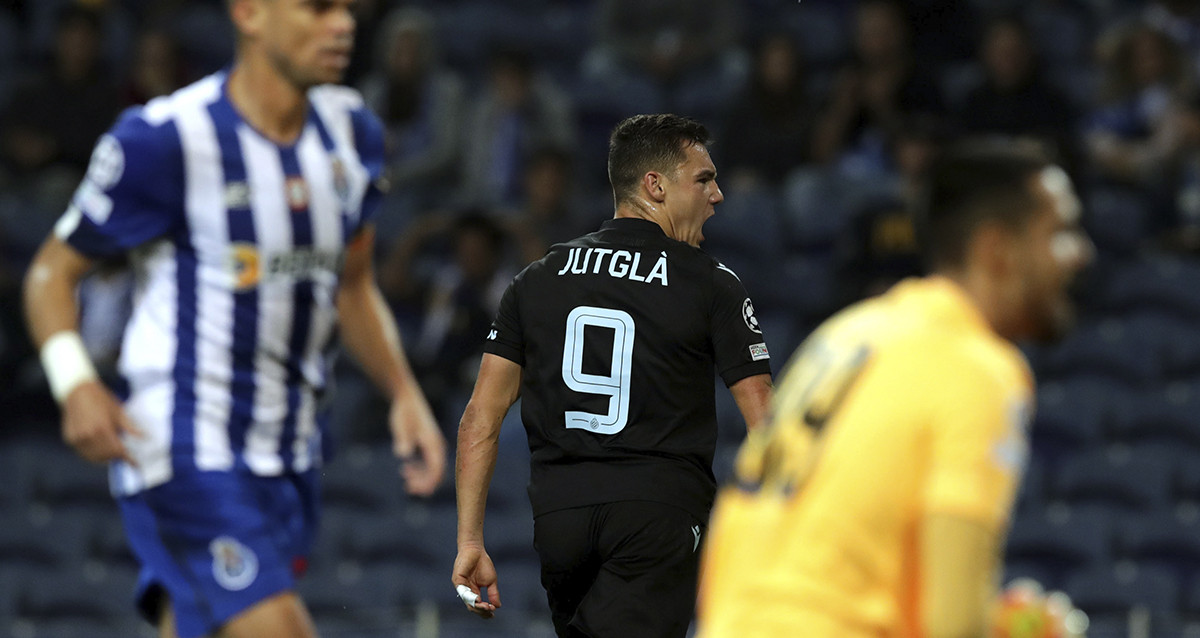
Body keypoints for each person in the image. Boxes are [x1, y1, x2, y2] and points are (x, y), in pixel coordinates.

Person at [21, 1, 446, 637]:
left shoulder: (353, 132)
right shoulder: (166, 137)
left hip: (288, 451)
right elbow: (51, 273)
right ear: (249, 12)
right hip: (182, 440)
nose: (343, 24)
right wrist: (75, 381)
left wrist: (403, 390)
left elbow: (352, 285)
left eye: (347, 8)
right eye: (317, 7)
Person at [696, 142, 1093, 638]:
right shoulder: (976, 366)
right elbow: (952, 627)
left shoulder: (850, 333)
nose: (1082, 253)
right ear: (997, 250)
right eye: (1060, 233)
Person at [452, 114, 774, 638]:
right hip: (658, 515)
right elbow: (767, 423)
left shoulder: (535, 280)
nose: (717, 195)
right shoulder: (711, 283)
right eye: (703, 179)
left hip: (560, 522)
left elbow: (479, 420)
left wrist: (469, 541)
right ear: (655, 185)